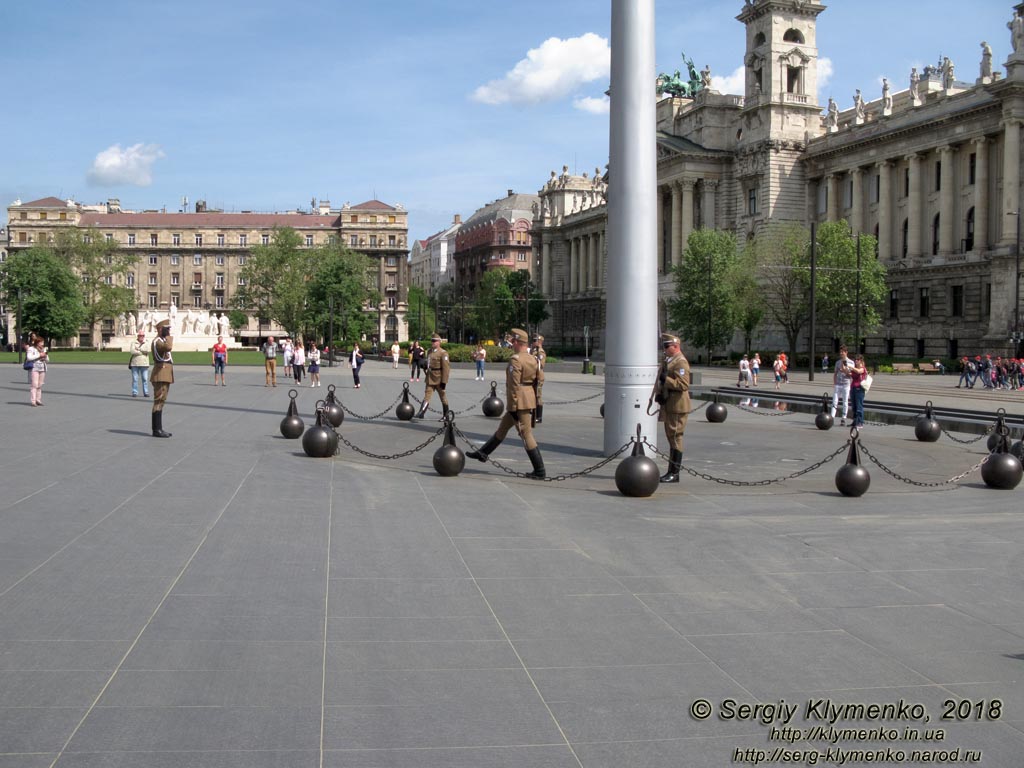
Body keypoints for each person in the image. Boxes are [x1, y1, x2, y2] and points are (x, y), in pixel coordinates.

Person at [465, 328, 545, 479]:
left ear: (518, 342)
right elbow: (540, 379)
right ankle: (483, 453)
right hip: (528, 398)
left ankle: (540, 470)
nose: (512, 344)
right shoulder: (533, 359)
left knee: (526, 434)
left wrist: (514, 406)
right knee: (502, 429)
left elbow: (514, 385)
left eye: (513, 341)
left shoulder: (516, 359)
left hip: (518, 401)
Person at [649, 333, 690, 483]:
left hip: (678, 406)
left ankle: (674, 473)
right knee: (671, 436)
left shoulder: (680, 362)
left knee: (675, 437)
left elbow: (683, 385)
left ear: (676, 346)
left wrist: (665, 379)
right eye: (664, 346)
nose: (664, 349)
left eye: (667, 346)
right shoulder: (670, 361)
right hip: (670, 404)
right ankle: (672, 471)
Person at [415, 334, 449, 418]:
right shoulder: (429, 351)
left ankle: (446, 415)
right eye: (432, 341)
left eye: (434, 341)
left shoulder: (443, 353)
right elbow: (429, 362)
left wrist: (444, 382)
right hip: (430, 377)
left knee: (443, 397)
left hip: (439, 378)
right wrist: (425, 365)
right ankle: (421, 412)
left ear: (439, 342)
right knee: (427, 395)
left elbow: (446, 368)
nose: (432, 342)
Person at [151, 320, 174, 437]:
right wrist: (168, 336)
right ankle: (156, 430)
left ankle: (159, 428)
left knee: (162, 401)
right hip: (160, 374)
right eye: (166, 329)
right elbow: (168, 347)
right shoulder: (158, 341)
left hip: (164, 374)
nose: (168, 331)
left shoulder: (162, 341)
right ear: (160, 329)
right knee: (158, 401)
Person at [831, 345, 853, 426]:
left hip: (846, 384)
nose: (841, 353)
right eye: (840, 352)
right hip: (838, 384)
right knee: (835, 400)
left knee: (845, 401)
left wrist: (844, 370)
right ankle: (832, 417)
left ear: (846, 352)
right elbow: (835, 373)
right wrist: (834, 383)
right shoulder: (838, 362)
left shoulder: (851, 362)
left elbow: (851, 375)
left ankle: (844, 417)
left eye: (842, 352)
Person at [26, 333, 49, 407]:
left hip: (42, 368)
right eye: (41, 342)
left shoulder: (43, 349)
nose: (42, 344)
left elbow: (48, 360)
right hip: (34, 368)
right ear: (37, 343)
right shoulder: (31, 349)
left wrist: (45, 356)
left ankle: (38, 400)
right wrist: (39, 355)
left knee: (40, 385)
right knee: (34, 385)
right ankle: (33, 401)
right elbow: (29, 358)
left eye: (43, 342)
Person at [129, 329, 151, 397]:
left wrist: (139, 349)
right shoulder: (133, 342)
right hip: (135, 363)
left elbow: (148, 350)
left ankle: (146, 392)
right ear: (138, 336)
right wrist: (142, 352)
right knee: (135, 379)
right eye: (140, 335)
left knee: (145, 379)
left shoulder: (147, 342)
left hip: (144, 364)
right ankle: (135, 392)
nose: (141, 337)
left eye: (143, 335)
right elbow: (132, 351)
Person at [849, 354, 869, 430]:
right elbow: (849, 374)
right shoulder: (855, 369)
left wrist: (851, 367)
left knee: (859, 406)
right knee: (854, 406)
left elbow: (858, 371)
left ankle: (860, 422)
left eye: (857, 360)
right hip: (853, 388)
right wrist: (844, 367)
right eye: (855, 360)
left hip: (859, 389)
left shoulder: (862, 368)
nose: (855, 361)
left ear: (860, 361)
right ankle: (855, 421)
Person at [531, 334, 546, 423]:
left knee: (538, 396)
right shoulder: (533, 351)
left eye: (535, 341)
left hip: (538, 376)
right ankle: (533, 414)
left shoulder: (541, 352)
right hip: (532, 376)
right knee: (532, 396)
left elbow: (541, 365)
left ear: (540, 342)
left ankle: (538, 417)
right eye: (533, 340)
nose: (533, 342)